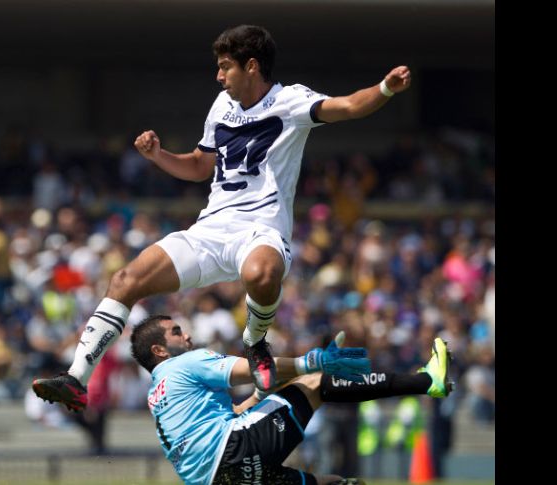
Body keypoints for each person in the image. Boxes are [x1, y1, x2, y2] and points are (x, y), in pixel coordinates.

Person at [33, 24, 412, 410]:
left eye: (225, 67)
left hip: (261, 228)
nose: (218, 76)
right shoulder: (221, 106)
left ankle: (255, 341)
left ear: (251, 66)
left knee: (262, 274)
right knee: (125, 279)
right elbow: (200, 166)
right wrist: (158, 156)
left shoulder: (291, 100)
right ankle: (75, 378)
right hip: (211, 229)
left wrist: (384, 88)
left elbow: (348, 106)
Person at [130, 315, 452, 485]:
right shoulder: (186, 362)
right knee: (312, 383)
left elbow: (237, 410)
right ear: (159, 350)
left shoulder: (157, 394)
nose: (185, 335)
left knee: (331, 482)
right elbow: (257, 369)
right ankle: (427, 381)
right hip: (234, 453)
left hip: (219, 479)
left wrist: (259, 395)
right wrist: (311, 362)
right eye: (176, 332)